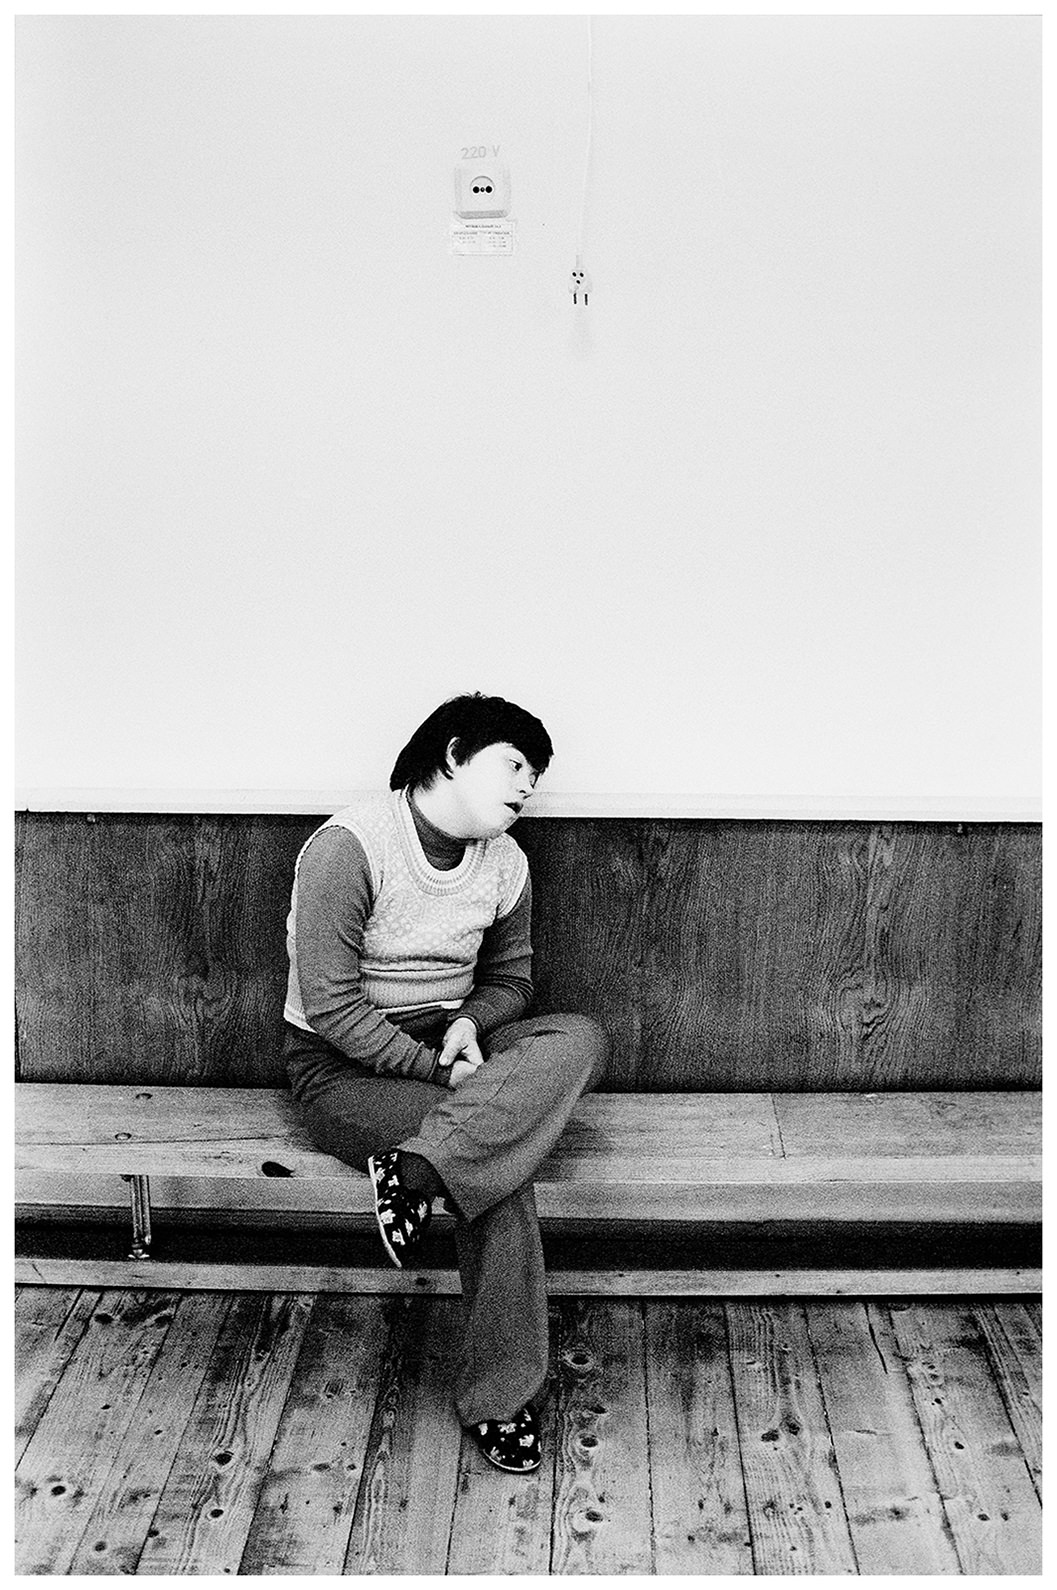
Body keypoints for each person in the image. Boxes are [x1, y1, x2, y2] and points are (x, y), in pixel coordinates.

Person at [282, 692, 609, 1473]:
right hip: (346, 1068)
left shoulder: (506, 862)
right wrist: (435, 1069)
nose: (528, 786)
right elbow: (330, 1006)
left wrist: (467, 1027)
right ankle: (502, 1403)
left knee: (581, 1038)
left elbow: (510, 982)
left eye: (536, 776)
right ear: (455, 753)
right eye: (516, 765)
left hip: (460, 1046)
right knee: (500, 1172)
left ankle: (420, 1167)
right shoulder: (350, 847)